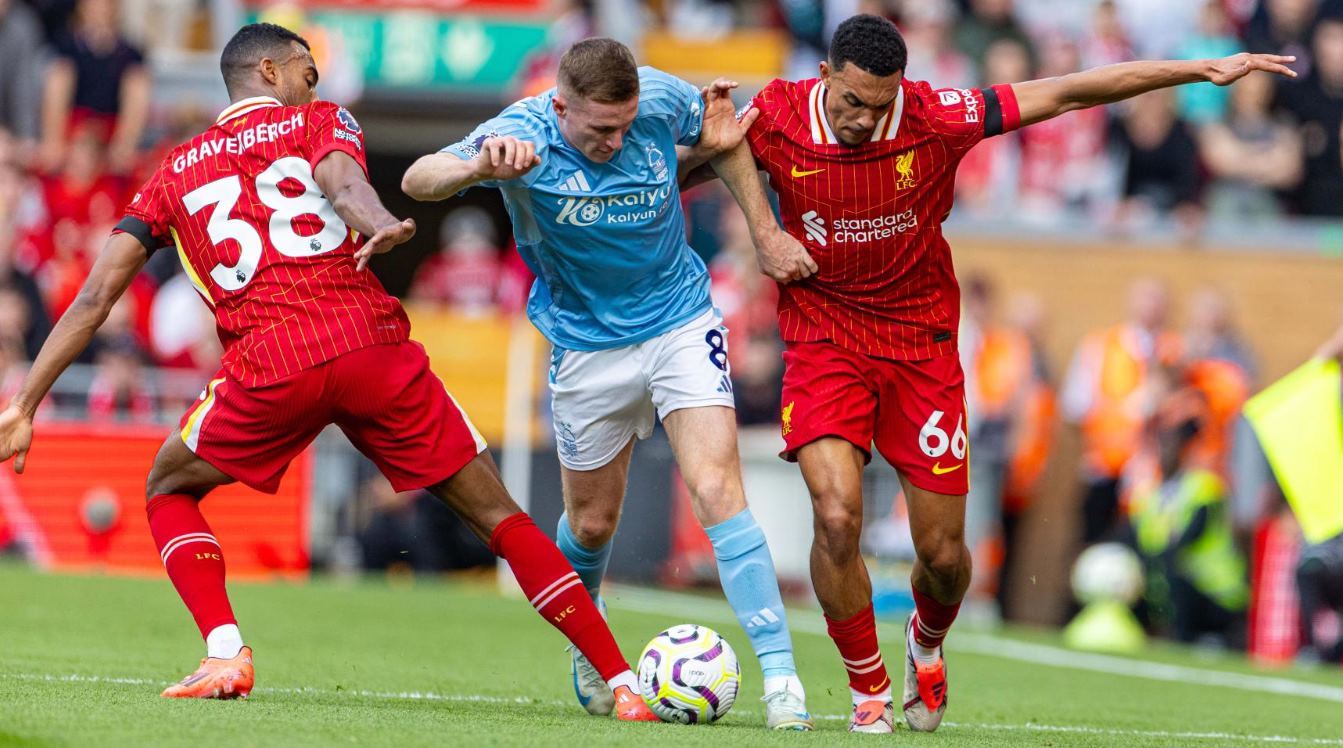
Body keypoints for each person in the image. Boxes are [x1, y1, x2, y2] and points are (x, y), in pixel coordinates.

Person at [0, 24, 658, 722]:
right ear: (269, 69)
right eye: (307, 72)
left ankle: (225, 650)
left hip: (272, 363)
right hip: (368, 344)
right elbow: (343, 183)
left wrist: (25, 403)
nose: (315, 85)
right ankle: (621, 683)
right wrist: (380, 219)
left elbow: (96, 297)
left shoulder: (170, 172)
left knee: (168, 488)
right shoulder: (319, 121)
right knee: (500, 517)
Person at [694, 12, 1294, 733]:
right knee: (835, 513)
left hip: (921, 347)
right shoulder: (779, 112)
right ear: (824, 77)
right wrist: (759, 224)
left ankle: (925, 643)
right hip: (824, 341)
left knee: (944, 557)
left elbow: (1067, 92)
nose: (862, 118)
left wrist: (1193, 70)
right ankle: (867, 691)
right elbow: (698, 161)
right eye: (851, 101)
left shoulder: (935, 118)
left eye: (878, 105)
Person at [400, 38, 814, 730]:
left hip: (679, 317)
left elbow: (723, 140)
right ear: (560, 106)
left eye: (625, 126)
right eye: (599, 129)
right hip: (586, 344)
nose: (617, 140)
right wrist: (477, 165)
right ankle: (591, 650)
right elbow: (418, 178)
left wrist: (765, 234)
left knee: (717, 489)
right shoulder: (519, 132)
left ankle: (781, 678)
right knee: (591, 521)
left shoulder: (656, 95)